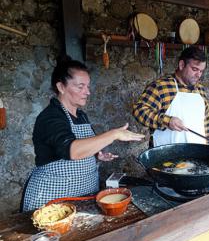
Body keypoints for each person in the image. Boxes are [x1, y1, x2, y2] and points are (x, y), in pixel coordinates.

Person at [22, 56, 144, 211]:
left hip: (83, 194)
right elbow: (72, 150)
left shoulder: (81, 115)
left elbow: (84, 145)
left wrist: (96, 155)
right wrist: (113, 134)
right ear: (61, 87)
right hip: (52, 198)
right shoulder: (50, 117)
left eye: (87, 86)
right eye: (80, 87)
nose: (87, 92)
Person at [133, 46, 209, 147]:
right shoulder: (161, 86)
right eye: (195, 69)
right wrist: (167, 121)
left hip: (197, 155)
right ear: (182, 65)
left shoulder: (200, 89)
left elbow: (206, 122)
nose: (198, 75)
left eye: (201, 71)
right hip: (165, 155)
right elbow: (139, 110)